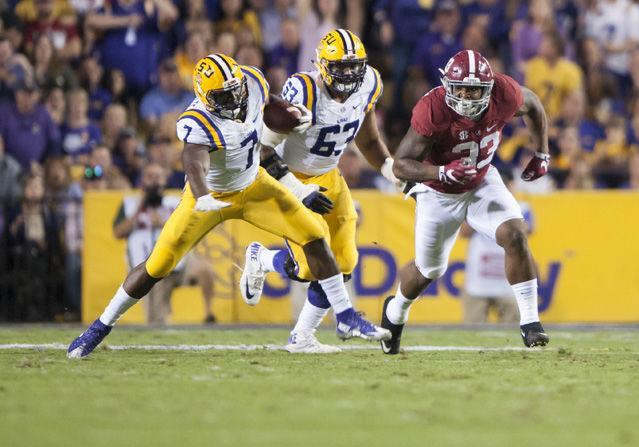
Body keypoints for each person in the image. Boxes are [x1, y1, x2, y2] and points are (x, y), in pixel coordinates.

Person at [67, 52, 389, 358]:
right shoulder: (196, 121)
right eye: (222, 96)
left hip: (255, 186)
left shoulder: (250, 81)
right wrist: (203, 195)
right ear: (205, 98)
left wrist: (291, 116)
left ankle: (345, 315)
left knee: (316, 238)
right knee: (157, 266)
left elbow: (268, 109)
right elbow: (193, 162)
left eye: (234, 90)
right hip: (210, 198)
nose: (233, 99)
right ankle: (100, 326)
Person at [238, 29, 402, 353]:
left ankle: (302, 337)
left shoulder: (370, 83)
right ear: (323, 66)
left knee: (343, 261)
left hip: (329, 175)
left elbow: (367, 140)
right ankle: (262, 259)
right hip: (287, 177)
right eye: (341, 67)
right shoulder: (304, 91)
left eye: (355, 66)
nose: (351, 74)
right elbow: (263, 153)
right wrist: (299, 191)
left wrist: (390, 171)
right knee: (310, 267)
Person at [380, 50, 551, 354]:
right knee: (427, 271)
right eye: (460, 88)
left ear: (489, 88)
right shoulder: (432, 108)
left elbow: (534, 104)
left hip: (482, 180)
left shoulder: (505, 92)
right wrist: (441, 172)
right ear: (448, 86)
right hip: (438, 192)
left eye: (474, 89)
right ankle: (395, 314)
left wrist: (542, 153)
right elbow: (401, 164)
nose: (466, 96)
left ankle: (530, 322)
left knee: (514, 234)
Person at [112, 163, 216, 323]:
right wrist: (141, 207)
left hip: (177, 262)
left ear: (164, 180)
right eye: (149, 177)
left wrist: (162, 223)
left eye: (157, 177)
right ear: (142, 180)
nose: (153, 182)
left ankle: (209, 314)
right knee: (155, 319)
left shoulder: (175, 201)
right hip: (147, 268)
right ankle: (159, 336)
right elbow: (118, 232)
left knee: (205, 270)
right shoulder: (130, 203)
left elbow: (190, 230)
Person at [461, 170, 532, 324]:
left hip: (508, 278)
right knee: (472, 330)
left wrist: (500, 213)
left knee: (513, 329)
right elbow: (463, 232)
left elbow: (527, 230)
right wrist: (486, 213)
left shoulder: (521, 207)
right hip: (479, 279)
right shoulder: (475, 205)